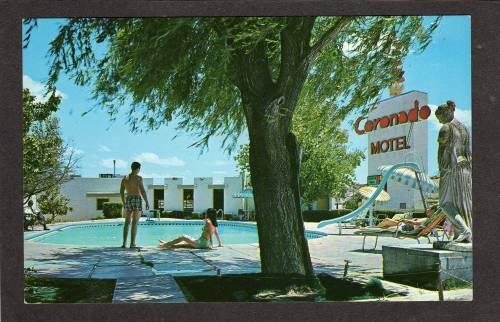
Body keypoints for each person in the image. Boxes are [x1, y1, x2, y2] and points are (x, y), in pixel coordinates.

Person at [436, 100, 472, 243]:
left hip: (450, 169)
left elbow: (442, 152)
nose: (439, 121)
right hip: (466, 169)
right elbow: (468, 151)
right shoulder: (464, 128)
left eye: (439, 118)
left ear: (446, 113)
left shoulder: (446, 128)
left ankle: (464, 230)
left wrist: (442, 169)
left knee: (444, 203)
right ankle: (461, 234)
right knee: (462, 204)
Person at [120, 161, 149, 248]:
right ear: (137, 169)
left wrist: (123, 202)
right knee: (135, 222)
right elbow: (142, 190)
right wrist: (147, 201)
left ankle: (124, 243)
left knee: (127, 222)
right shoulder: (138, 178)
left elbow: (121, 191)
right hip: (136, 199)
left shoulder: (125, 178)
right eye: (139, 169)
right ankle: (132, 243)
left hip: (128, 199)